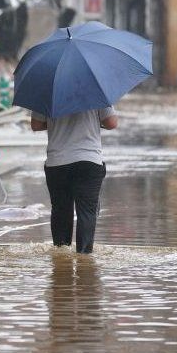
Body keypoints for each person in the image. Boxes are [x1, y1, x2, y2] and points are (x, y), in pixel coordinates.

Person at [30, 107, 117, 254]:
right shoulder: (96, 89)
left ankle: (61, 256)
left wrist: (54, 125)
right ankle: (84, 257)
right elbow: (111, 123)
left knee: (60, 210)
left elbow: (36, 125)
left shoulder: (48, 89)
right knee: (87, 212)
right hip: (89, 161)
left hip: (57, 162)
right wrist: (96, 122)